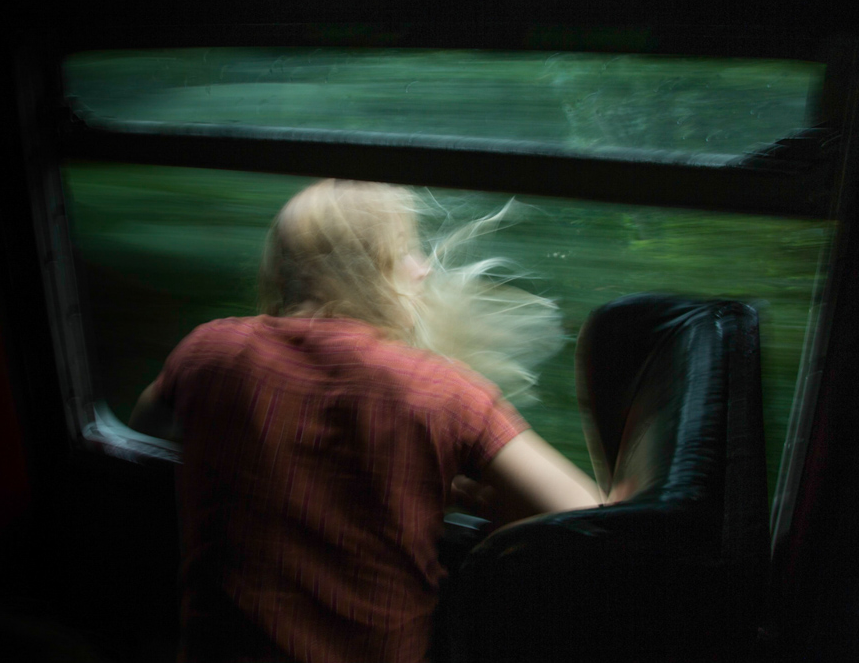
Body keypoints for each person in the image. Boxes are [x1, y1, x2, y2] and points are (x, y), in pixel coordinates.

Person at [130, 179, 601, 663]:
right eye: (408, 251)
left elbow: (145, 426)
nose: (422, 271)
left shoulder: (210, 352)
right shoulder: (442, 392)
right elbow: (591, 518)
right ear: (367, 270)